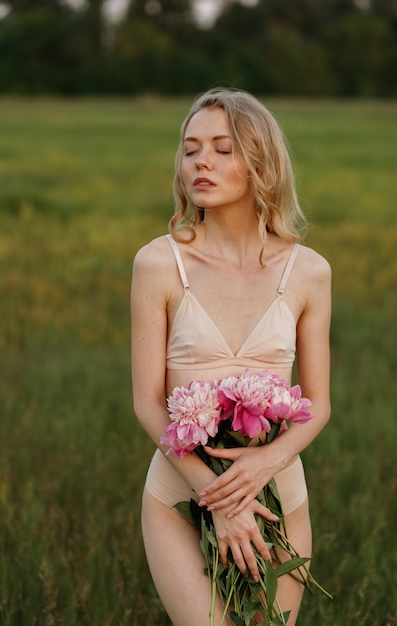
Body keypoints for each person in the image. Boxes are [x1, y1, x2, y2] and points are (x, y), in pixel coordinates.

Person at [131, 88, 331, 625]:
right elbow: (148, 404)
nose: (201, 161)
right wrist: (219, 500)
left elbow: (320, 406)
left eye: (223, 148)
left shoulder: (309, 271)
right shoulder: (158, 264)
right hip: (180, 493)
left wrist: (267, 460)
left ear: (261, 162)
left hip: (279, 496)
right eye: (191, 148)